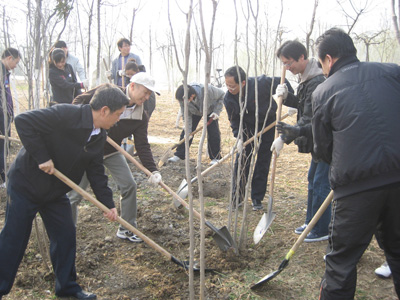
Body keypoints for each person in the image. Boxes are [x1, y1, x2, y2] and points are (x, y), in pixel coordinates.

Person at [0, 85, 129, 299]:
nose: (118, 120)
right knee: (14, 237)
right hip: (26, 185)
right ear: (104, 110)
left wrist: (108, 204)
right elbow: (23, 121)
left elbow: (97, 172)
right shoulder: (66, 114)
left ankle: (67, 288)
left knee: (65, 235)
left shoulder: (99, 136)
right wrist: (42, 157)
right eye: (118, 114)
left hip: (55, 192)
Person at [311, 27, 400, 299]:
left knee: (341, 262)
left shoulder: (324, 91)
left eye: (321, 64)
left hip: (356, 190)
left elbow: (323, 150)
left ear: (328, 59)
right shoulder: (392, 72)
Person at [69, 74, 161, 243]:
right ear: (132, 86)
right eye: (145, 92)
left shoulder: (141, 115)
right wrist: (91, 127)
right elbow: (77, 102)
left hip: (111, 151)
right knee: (75, 194)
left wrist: (153, 170)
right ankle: (66, 231)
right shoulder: (109, 92)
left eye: (150, 94)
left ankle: (127, 228)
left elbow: (142, 145)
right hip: (86, 149)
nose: (147, 97)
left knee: (129, 185)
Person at [271, 40, 331, 242]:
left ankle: (321, 229)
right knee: (313, 180)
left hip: (326, 141)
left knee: (321, 184)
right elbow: (303, 105)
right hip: (318, 141)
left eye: (289, 63)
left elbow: (312, 119)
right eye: (284, 64)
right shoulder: (307, 77)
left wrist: (284, 137)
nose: (287, 68)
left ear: (302, 58)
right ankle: (310, 222)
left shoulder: (317, 80)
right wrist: (287, 97)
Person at [223, 66, 294, 210]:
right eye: (227, 85)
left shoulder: (261, 83)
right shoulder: (228, 98)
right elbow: (234, 120)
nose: (229, 88)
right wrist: (239, 137)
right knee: (242, 160)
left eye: (232, 86)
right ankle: (237, 198)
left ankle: (257, 198)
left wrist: (290, 98)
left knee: (263, 159)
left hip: (268, 123)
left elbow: (283, 81)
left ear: (243, 83)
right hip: (247, 128)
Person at [167, 83, 225, 165]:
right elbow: (186, 116)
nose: (184, 102)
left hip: (210, 111)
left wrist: (217, 111)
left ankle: (215, 157)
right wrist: (188, 131)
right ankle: (180, 155)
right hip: (194, 111)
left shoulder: (207, 90)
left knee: (213, 133)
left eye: (186, 99)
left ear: (193, 95)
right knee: (186, 132)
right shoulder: (183, 99)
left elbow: (222, 95)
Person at [0, 48, 20, 187]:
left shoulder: (5, 73)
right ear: (9, 58)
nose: (15, 66)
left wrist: (10, 113)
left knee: (5, 147)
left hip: (5, 115)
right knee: (1, 147)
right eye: (15, 62)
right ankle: (3, 178)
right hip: (1, 115)